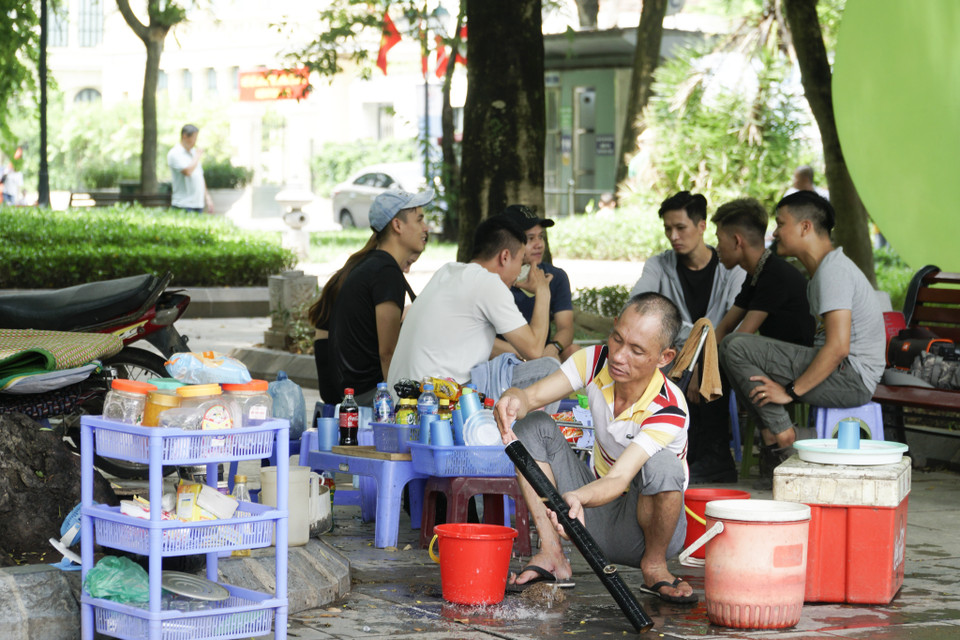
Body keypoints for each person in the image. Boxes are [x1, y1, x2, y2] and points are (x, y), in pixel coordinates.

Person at [494, 293, 697, 604]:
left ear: (664, 357)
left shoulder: (668, 408)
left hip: (646, 530)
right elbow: (531, 398)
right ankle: (552, 555)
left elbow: (618, 480)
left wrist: (575, 498)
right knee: (531, 425)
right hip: (596, 516)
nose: (618, 356)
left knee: (664, 466)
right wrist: (511, 399)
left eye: (637, 351)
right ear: (614, 327)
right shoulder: (595, 360)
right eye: (617, 339)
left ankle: (655, 567)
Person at [720, 191, 885, 478]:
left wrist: (789, 391)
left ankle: (784, 436)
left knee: (736, 346)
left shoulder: (833, 272)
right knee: (732, 352)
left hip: (852, 376)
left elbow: (838, 348)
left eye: (781, 223)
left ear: (805, 227)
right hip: (845, 373)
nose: (775, 232)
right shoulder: (821, 274)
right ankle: (777, 436)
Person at [630, 191, 745, 483]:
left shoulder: (730, 267)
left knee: (717, 358)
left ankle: (716, 457)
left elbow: (736, 321)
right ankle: (663, 450)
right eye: (668, 228)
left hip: (718, 358)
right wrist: (692, 344)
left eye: (680, 227)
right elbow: (638, 305)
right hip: (672, 356)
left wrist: (702, 351)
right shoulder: (660, 264)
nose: (673, 236)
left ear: (702, 226)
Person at [386, 216, 560, 403]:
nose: (520, 272)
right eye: (521, 262)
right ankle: (537, 432)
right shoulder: (489, 283)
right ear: (505, 256)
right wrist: (543, 291)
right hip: (433, 404)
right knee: (550, 369)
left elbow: (475, 341)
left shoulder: (447, 271)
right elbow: (534, 351)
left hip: (397, 401)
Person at [309, 188, 432, 406]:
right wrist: (399, 406)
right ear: (397, 225)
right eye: (420, 219)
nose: (426, 228)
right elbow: (388, 353)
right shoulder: (386, 270)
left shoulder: (368, 265)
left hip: (349, 394)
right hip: (369, 397)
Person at [713, 198, 815, 346]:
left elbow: (740, 339)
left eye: (719, 239)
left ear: (737, 241)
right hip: (778, 357)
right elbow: (725, 327)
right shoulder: (757, 273)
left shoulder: (774, 275)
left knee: (733, 347)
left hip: (799, 360)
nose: (717, 248)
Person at [495, 205, 579, 361]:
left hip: (540, 356)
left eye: (541, 237)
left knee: (575, 352)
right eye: (530, 238)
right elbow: (485, 342)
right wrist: (526, 354)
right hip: (500, 360)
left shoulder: (555, 276)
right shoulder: (493, 279)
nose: (539, 244)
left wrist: (554, 347)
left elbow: (566, 327)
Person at [167, 124, 213, 213]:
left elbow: (200, 177)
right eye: (194, 138)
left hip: (198, 204)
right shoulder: (175, 153)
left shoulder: (193, 153)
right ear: (185, 136)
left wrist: (207, 198)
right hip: (183, 204)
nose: (195, 142)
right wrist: (197, 156)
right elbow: (187, 172)